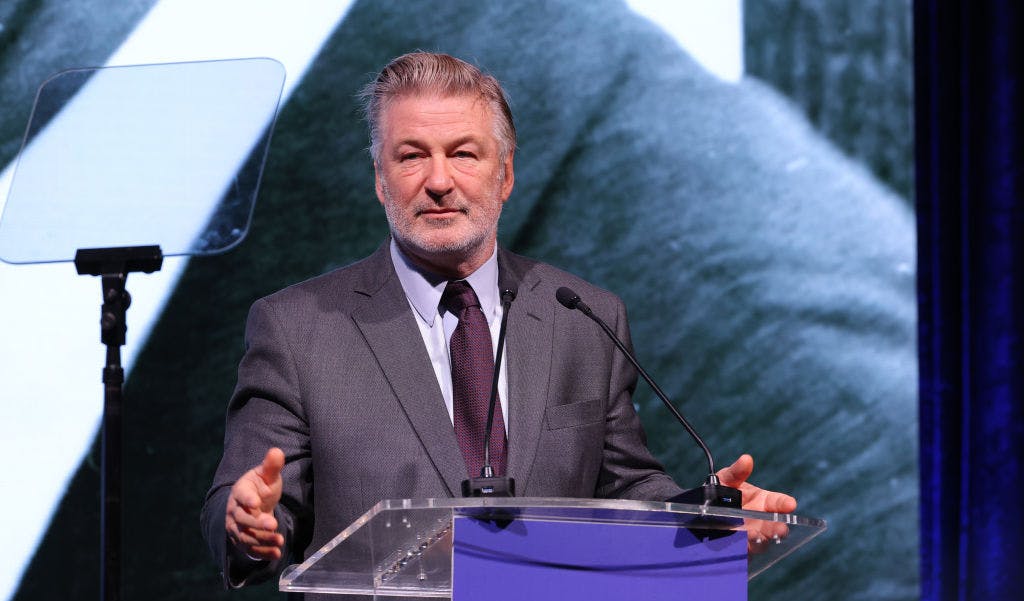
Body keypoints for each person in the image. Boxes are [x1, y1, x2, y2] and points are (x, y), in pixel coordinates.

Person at [201, 51, 796, 590]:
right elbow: (247, 504)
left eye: (463, 153)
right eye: (412, 156)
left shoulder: (582, 316)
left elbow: (625, 489)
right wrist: (247, 524)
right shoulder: (298, 328)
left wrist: (706, 519)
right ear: (380, 180)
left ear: (505, 175)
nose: (439, 182)